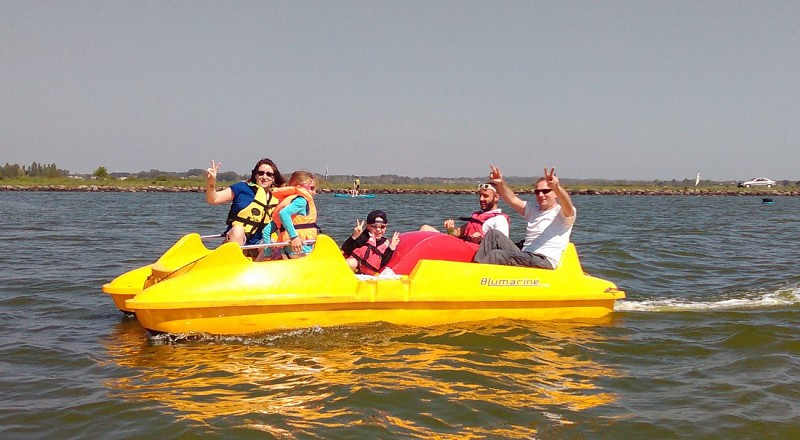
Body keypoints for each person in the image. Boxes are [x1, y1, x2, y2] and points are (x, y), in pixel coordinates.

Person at [473, 166, 576, 269]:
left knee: (496, 255)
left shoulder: (563, 214)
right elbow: (512, 199)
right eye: (537, 192)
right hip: (526, 256)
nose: (541, 195)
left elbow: (568, 206)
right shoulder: (533, 210)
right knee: (493, 235)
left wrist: (557, 187)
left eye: (545, 191)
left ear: (555, 194)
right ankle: (474, 268)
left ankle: (477, 274)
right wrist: (500, 183)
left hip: (544, 260)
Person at [205, 158, 286, 249]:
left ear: (274, 178)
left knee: (273, 242)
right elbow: (213, 199)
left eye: (269, 174)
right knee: (238, 230)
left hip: (259, 243)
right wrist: (211, 181)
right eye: (260, 173)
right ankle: (233, 255)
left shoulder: (278, 197)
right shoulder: (242, 188)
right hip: (236, 239)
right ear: (255, 175)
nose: (264, 177)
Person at [419, 182, 510, 243]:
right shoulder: (477, 218)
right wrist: (450, 228)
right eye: (480, 195)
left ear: (496, 197)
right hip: (462, 246)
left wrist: (481, 240)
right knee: (425, 228)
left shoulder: (499, 220)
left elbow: (502, 246)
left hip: (476, 252)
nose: (481, 199)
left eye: (485, 196)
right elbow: (455, 234)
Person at [260, 170, 319, 260]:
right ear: (299, 187)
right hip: (301, 249)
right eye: (312, 188)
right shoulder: (301, 201)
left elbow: (266, 231)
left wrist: (267, 253)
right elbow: (284, 214)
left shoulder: (286, 202)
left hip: (285, 251)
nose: (314, 192)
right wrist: (294, 237)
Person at [342, 210, 400, 275]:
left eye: (382, 227)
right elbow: (346, 249)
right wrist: (354, 237)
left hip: (369, 274)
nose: (378, 230)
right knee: (351, 262)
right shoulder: (363, 237)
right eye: (374, 226)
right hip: (353, 271)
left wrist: (391, 248)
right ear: (367, 226)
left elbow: (383, 262)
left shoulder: (385, 243)